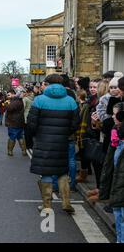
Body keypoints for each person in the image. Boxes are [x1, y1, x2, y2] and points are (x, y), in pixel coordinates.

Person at [27, 74, 80, 215]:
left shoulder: (39, 100)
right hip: (62, 141)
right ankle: (66, 202)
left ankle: (47, 206)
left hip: (43, 142)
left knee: (46, 173)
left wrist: (36, 135)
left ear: (48, 84)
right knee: (62, 171)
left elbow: (31, 123)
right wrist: (65, 133)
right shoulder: (71, 101)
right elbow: (76, 123)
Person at [99, 103, 124, 243]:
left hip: (120, 190)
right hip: (117, 189)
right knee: (119, 216)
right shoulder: (116, 134)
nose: (113, 117)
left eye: (116, 115)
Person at [5, 89, 26, 157]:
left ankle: (10, 151)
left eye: (9, 95)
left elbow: (9, 108)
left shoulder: (15, 101)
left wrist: (6, 103)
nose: (8, 96)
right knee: (20, 137)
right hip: (19, 122)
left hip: (13, 122)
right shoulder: (19, 100)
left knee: (12, 137)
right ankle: (24, 151)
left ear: (14, 94)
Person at [23, 86, 35, 157]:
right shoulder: (34, 98)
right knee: (31, 133)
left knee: (26, 133)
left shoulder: (25, 99)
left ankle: (27, 147)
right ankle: (31, 145)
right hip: (32, 117)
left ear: (27, 92)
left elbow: (23, 108)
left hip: (26, 117)